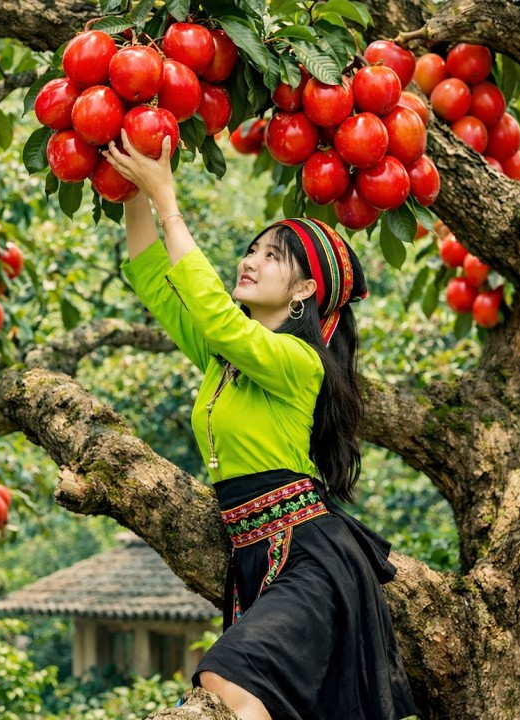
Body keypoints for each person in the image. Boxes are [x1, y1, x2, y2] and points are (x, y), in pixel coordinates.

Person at [105, 133, 417, 720]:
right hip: (253, 555)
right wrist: (129, 183)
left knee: (226, 680)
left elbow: (219, 319)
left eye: (271, 256)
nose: (249, 261)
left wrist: (168, 200)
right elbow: (153, 277)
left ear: (304, 291)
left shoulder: (300, 362)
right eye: (251, 250)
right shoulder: (224, 355)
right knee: (240, 694)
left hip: (310, 556)